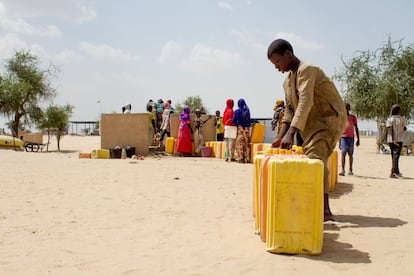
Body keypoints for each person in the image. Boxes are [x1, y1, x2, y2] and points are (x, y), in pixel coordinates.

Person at [267, 39, 346, 221]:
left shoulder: (308, 70)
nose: (276, 67)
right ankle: (320, 208)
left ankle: (324, 211)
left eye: (277, 62)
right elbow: (289, 110)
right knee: (315, 161)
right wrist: (280, 136)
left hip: (328, 120)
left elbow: (305, 102)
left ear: (288, 54)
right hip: (311, 125)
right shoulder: (287, 83)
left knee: (315, 160)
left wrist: (291, 133)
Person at [339, 103, 360, 176]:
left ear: (349, 109)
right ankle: (342, 170)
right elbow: (340, 129)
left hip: (351, 138)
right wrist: (339, 142)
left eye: (347, 108)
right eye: (344, 108)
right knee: (343, 153)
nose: (346, 110)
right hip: (343, 137)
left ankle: (350, 170)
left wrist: (358, 139)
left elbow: (356, 128)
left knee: (350, 154)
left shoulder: (353, 117)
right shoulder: (341, 117)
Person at [386, 104, 407, 178]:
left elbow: (390, 129)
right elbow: (405, 128)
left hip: (390, 139)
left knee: (394, 155)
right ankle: (394, 172)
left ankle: (396, 171)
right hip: (399, 139)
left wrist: (392, 138)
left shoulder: (390, 119)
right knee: (396, 156)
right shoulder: (402, 119)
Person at [232, 98, 251, 163]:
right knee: (246, 143)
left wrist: (238, 123)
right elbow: (248, 120)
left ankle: (240, 158)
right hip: (246, 129)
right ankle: (247, 158)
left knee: (239, 143)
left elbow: (233, 120)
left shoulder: (237, 111)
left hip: (240, 129)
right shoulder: (247, 111)